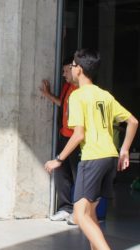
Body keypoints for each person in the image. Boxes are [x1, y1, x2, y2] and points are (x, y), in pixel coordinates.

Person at [45, 49, 138, 250]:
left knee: (79, 215)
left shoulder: (77, 96)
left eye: (73, 65)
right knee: (91, 213)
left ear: (79, 70)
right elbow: (133, 121)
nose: (71, 68)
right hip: (110, 157)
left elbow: (78, 134)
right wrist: (124, 150)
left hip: (93, 158)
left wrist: (58, 159)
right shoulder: (105, 95)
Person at [39, 57, 81, 223]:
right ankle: (65, 208)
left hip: (77, 138)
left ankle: (79, 212)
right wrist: (48, 95)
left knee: (78, 175)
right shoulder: (67, 87)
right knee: (61, 173)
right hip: (64, 135)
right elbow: (62, 105)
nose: (63, 74)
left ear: (74, 69)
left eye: (65, 71)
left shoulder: (81, 90)